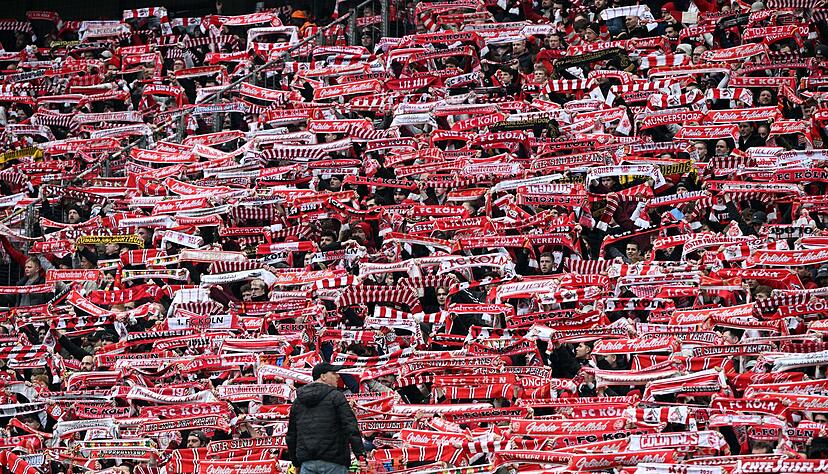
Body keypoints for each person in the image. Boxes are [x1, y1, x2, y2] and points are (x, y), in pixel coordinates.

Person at [287, 363, 367, 474]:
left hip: (307, 463)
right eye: (334, 373)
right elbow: (351, 427)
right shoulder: (336, 396)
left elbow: (291, 436)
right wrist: (360, 456)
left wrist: (296, 463)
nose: (338, 376)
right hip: (335, 463)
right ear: (323, 376)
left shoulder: (298, 401)